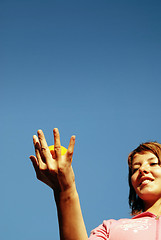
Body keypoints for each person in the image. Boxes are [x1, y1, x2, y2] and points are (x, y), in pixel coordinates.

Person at [30, 128, 161, 240]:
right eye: (135, 169)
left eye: (153, 163)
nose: (142, 170)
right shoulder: (109, 229)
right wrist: (64, 189)